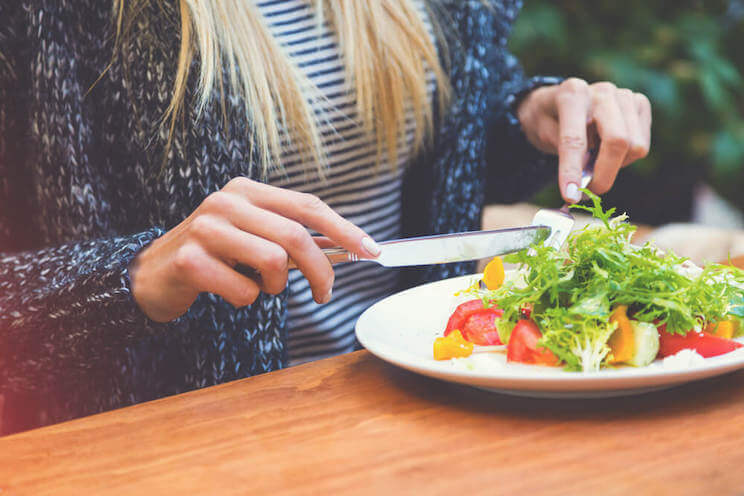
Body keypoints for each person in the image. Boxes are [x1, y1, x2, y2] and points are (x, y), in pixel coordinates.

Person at [0, 0, 651, 434]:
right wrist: (128, 279)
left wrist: (526, 114)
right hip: (191, 451)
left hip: (432, 417)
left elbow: (437, 145)